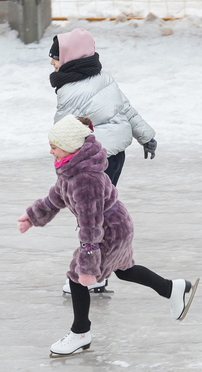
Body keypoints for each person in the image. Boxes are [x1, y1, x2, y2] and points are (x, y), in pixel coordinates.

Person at [17, 115, 198, 356]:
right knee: (124, 270)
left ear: (70, 147)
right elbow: (56, 198)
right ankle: (171, 288)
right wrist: (32, 216)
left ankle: (80, 334)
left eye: (54, 147)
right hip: (116, 225)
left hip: (109, 231)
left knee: (76, 276)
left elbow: (90, 225)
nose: (50, 152)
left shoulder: (85, 179)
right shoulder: (70, 170)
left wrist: (88, 264)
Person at [49, 28, 158, 295]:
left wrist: (63, 165)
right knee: (102, 212)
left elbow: (63, 130)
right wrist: (147, 137)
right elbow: (127, 109)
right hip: (116, 155)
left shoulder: (70, 89)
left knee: (90, 216)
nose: (51, 63)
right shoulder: (103, 78)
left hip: (92, 160)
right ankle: (98, 272)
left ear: (69, 58)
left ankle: (92, 273)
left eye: (55, 57)